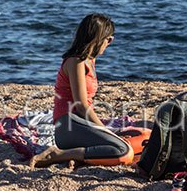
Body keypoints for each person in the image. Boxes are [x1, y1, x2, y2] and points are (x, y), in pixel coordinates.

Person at [30, 13, 129, 168]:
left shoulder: (90, 60)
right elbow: (81, 105)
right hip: (68, 125)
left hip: (81, 124)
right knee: (123, 151)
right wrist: (105, 130)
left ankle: (76, 156)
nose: (109, 43)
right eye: (108, 39)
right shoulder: (76, 61)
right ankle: (56, 154)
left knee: (140, 138)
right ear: (99, 39)